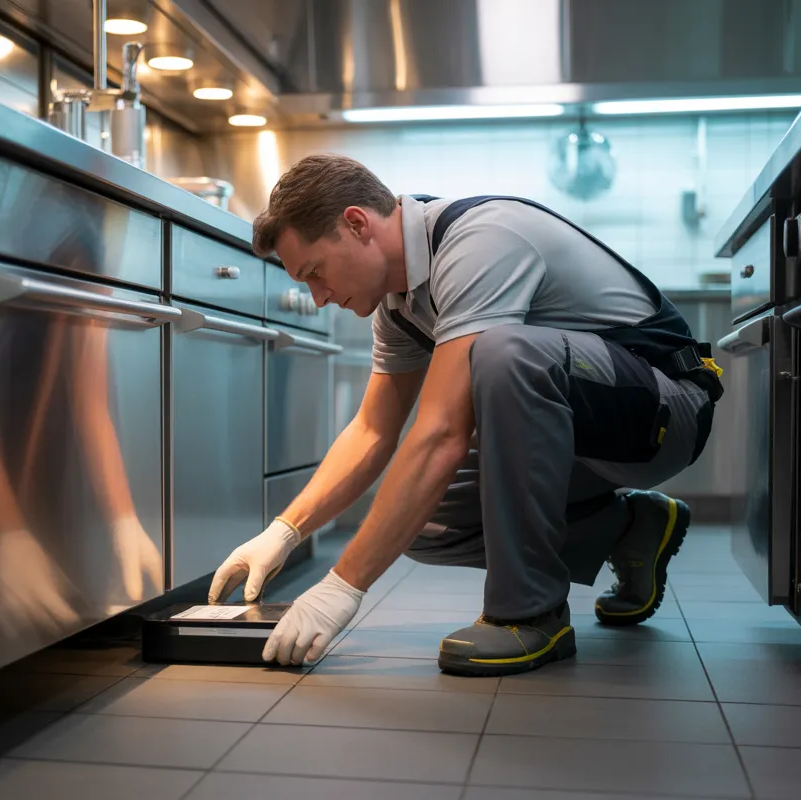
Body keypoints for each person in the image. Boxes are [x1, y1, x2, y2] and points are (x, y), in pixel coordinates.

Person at [208, 154, 724, 677]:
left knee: (504, 353)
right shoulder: (398, 306)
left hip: (665, 413)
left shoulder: (479, 240)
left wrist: (341, 587)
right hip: (581, 439)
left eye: (315, 272)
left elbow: (441, 434)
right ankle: (628, 527)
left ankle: (530, 612)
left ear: (357, 224)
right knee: (419, 518)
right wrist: (284, 532)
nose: (318, 298)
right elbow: (371, 431)